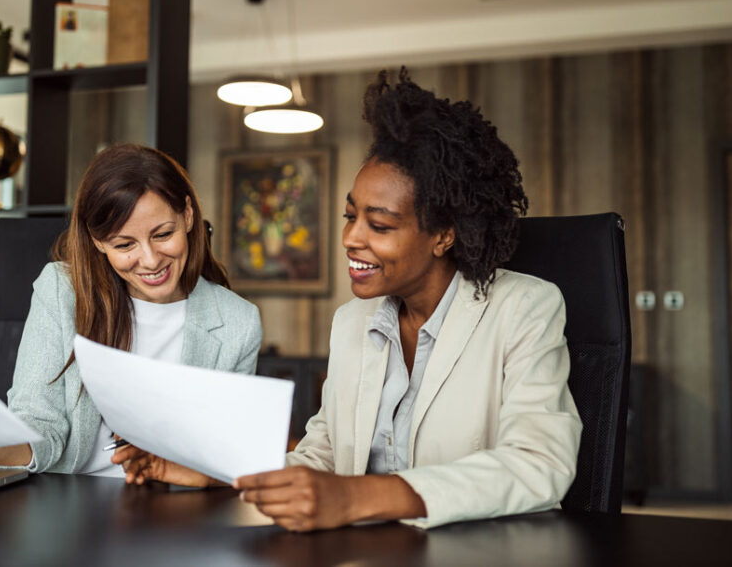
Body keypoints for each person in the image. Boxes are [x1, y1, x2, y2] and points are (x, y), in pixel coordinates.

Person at [234, 70, 582, 530]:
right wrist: (232, 476)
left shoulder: (524, 308)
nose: (350, 238)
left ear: (443, 235)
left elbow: (539, 463)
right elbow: (326, 448)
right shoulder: (351, 321)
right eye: (349, 216)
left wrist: (360, 497)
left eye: (379, 226)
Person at [0, 143, 262, 483]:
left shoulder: (238, 323)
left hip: (170, 510)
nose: (150, 260)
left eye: (163, 234)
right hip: (61, 500)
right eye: (125, 244)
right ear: (98, 241)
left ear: (187, 215)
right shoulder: (62, 291)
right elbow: (39, 427)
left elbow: (226, 458)